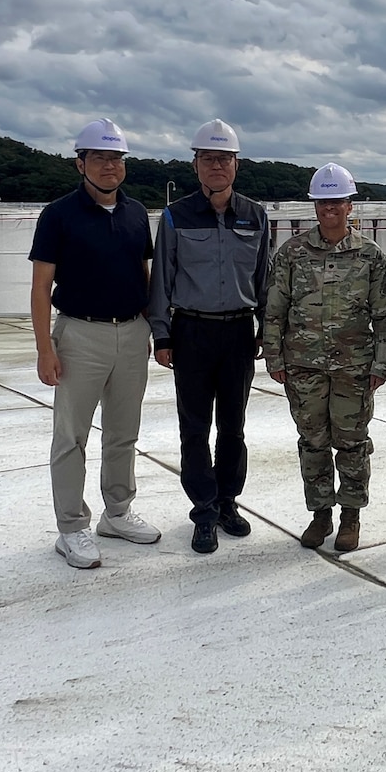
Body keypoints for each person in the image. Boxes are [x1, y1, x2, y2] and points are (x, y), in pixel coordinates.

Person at [30, 118, 159, 569]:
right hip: (79, 334)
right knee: (71, 437)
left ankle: (118, 513)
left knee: (124, 432)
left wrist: (148, 328)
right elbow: (40, 286)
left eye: (117, 158)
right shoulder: (58, 215)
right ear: (80, 163)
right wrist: (46, 348)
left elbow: (142, 274)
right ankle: (71, 528)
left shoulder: (136, 213)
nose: (110, 166)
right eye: (100, 158)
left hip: (130, 330)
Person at [147, 119, 270, 556]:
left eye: (225, 158)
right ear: (196, 165)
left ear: (236, 165)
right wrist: (162, 336)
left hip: (238, 332)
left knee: (233, 429)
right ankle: (202, 512)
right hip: (192, 331)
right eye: (208, 158)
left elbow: (264, 279)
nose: (217, 166)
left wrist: (264, 330)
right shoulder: (176, 215)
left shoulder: (255, 215)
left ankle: (227, 501)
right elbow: (161, 278)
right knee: (194, 429)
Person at [264, 162, 386, 553]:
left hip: (354, 368)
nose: (330, 209)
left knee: (353, 442)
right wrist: (274, 357)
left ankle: (351, 516)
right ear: (315, 206)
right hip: (303, 366)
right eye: (323, 203)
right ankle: (320, 514)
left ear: (349, 206)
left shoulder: (370, 256)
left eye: (337, 202)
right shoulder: (292, 253)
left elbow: (384, 315)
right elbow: (275, 308)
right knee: (313, 441)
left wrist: (382, 364)